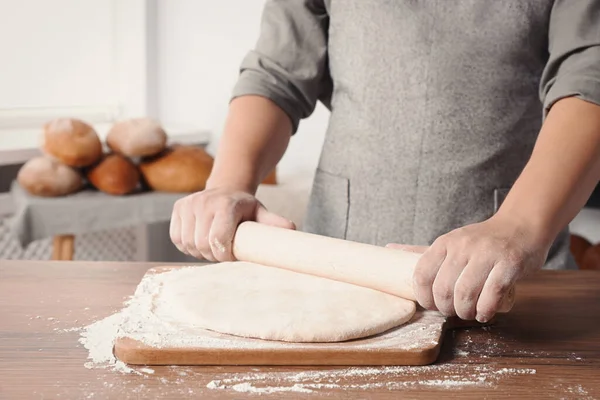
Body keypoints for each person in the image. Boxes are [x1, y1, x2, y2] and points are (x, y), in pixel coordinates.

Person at [170, 1, 600, 323]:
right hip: (335, 269)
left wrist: (518, 227)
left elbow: (590, 73)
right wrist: (227, 182)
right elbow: (278, 74)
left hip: (503, 281)